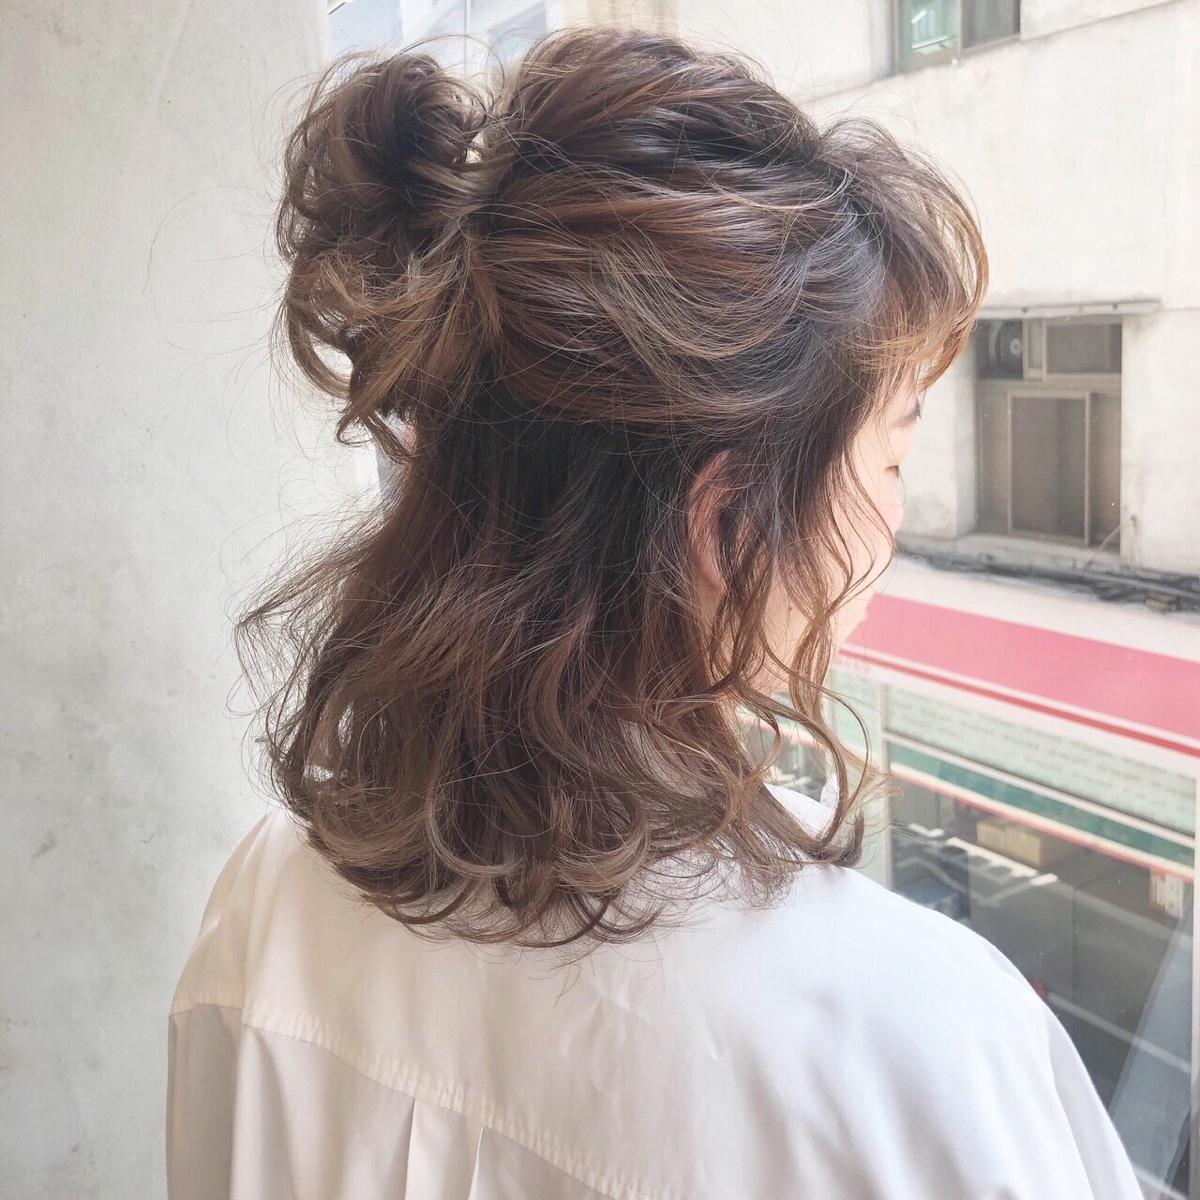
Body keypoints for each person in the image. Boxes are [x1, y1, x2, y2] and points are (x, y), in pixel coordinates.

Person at [166, 24, 1145, 1200]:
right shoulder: (922, 1050)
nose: (891, 523)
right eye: (889, 461)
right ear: (725, 526)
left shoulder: (265, 906)